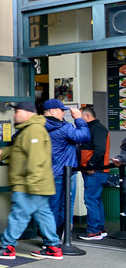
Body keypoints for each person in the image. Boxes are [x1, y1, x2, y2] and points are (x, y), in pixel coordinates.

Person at [0, 101, 62, 260]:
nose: (14, 114)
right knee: (44, 215)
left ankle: (7, 248)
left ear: (28, 113)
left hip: (29, 185)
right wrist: (4, 152)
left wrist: (31, 185)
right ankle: (53, 247)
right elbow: (20, 149)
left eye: (17, 111)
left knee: (19, 215)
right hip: (37, 184)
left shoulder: (34, 131)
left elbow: (36, 160)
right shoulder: (28, 130)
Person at [43, 98, 90, 234]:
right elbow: (84, 136)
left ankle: (52, 238)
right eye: (61, 110)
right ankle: (59, 237)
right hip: (66, 173)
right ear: (52, 111)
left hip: (49, 172)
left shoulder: (38, 127)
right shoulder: (64, 128)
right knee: (66, 205)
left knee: (52, 206)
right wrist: (79, 119)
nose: (64, 113)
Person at [78, 106, 110, 240]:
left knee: (91, 200)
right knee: (96, 200)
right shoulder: (94, 129)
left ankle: (94, 230)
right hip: (96, 170)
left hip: (95, 171)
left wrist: (90, 165)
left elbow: (100, 149)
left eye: (80, 117)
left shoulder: (98, 129)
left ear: (87, 116)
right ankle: (100, 229)